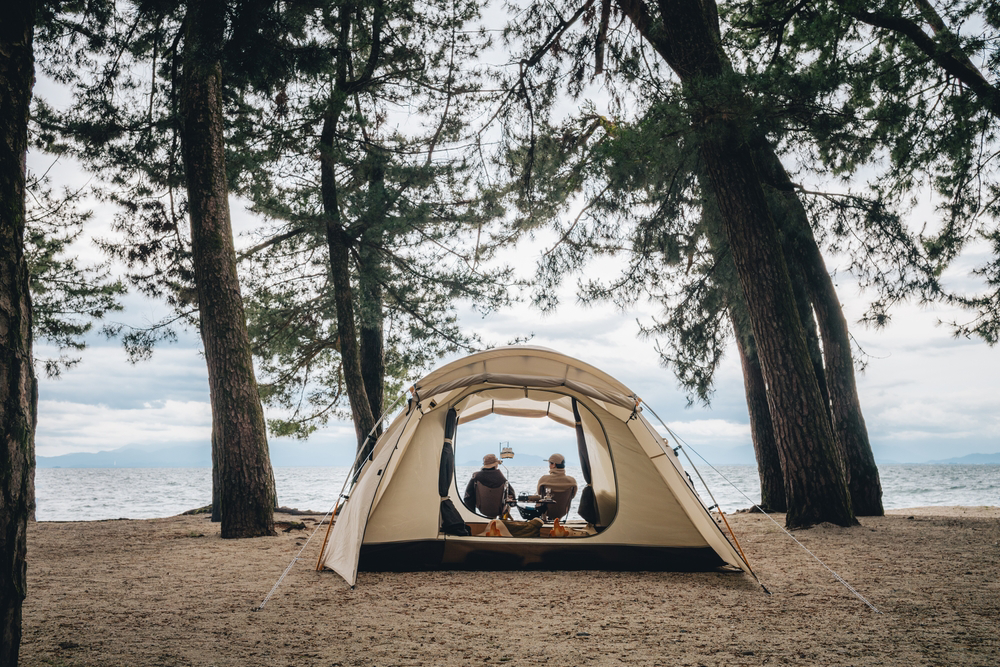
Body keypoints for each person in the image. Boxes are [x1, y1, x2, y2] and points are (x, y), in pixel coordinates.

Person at [519, 453, 578, 521]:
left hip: (546, 511)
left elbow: (540, 494)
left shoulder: (544, 480)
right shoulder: (572, 481)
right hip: (563, 511)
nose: (549, 466)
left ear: (554, 465)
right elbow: (572, 496)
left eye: (550, 464)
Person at [463, 453, 515, 518]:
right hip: (499, 510)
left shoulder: (476, 477)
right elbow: (512, 495)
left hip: (482, 509)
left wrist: (472, 514)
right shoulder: (501, 478)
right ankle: (501, 521)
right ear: (496, 465)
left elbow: (467, 496)